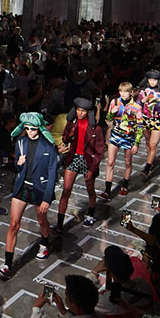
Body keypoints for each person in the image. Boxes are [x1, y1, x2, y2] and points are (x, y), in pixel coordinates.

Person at [0, 112, 59, 278]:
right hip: (22, 186)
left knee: (41, 220)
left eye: (33, 128)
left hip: (40, 188)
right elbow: (19, 168)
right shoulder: (21, 142)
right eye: (27, 128)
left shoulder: (48, 146)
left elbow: (53, 173)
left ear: (39, 127)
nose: (30, 131)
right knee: (13, 224)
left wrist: (47, 198)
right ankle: (7, 265)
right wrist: (18, 163)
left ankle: (44, 243)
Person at [55, 97, 104, 231]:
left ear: (88, 112)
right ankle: (59, 223)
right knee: (66, 190)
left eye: (83, 111)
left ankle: (91, 214)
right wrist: (70, 134)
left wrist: (92, 169)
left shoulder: (96, 128)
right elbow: (65, 139)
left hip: (88, 160)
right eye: (78, 110)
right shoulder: (72, 123)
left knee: (90, 190)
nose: (80, 113)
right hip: (74, 158)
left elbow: (99, 151)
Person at [100, 83, 142, 198]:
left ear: (131, 92)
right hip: (115, 135)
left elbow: (140, 126)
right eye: (121, 91)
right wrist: (112, 112)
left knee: (127, 162)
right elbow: (108, 119)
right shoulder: (114, 102)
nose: (123, 94)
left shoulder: (136, 107)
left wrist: (136, 143)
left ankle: (125, 185)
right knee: (110, 162)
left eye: (126, 91)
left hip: (129, 138)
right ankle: (107, 190)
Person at [135, 70, 160, 176]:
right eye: (150, 80)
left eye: (155, 80)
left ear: (158, 81)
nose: (152, 82)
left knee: (153, 144)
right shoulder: (143, 92)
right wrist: (141, 101)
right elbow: (137, 105)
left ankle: (147, 168)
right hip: (145, 119)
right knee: (148, 142)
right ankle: (150, 161)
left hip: (157, 120)